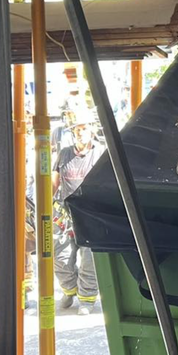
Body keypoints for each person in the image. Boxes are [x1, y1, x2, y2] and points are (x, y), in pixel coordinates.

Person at [52, 106, 102, 315]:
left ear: (91, 130)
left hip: (91, 213)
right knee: (61, 255)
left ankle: (87, 299)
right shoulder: (64, 154)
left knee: (89, 258)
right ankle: (69, 290)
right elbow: (54, 182)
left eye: (83, 128)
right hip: (64, 212)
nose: (79, 132)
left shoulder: (100, 153)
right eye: (76, 129)